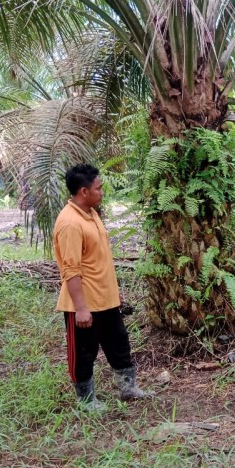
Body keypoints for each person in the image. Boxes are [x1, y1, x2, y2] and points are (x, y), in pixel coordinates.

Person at [53, 164, 153, 410]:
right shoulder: (70, 223)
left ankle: (128, 389)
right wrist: (80, 308)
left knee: (119, 344)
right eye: (99, 188)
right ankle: (86, 400)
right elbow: (71, 269)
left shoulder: (91, 213)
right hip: (85, 303)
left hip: (106, 299)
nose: (103, 192)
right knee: (84, 352)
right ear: (84, 191)